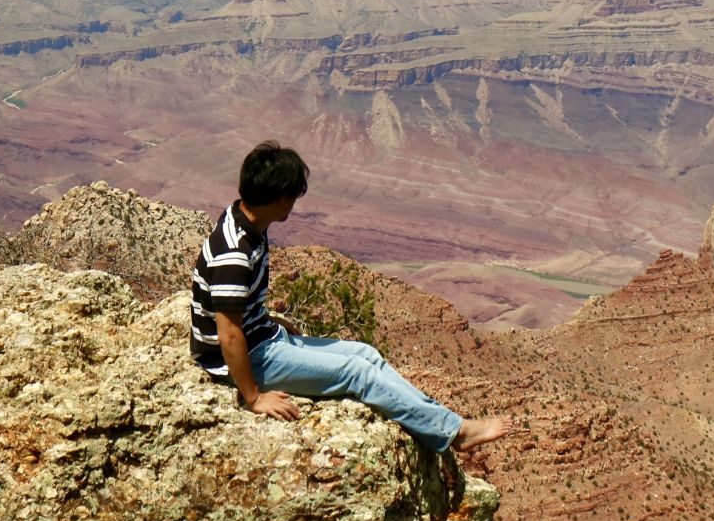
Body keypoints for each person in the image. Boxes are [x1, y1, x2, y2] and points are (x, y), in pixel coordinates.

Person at [190, 140, 513, 452]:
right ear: (277, 198)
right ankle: (456, 431)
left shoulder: (245, 220)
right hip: (245, 359)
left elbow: (233, 306)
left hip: (262, 338)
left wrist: (265, 319)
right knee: (356, 373)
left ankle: (440, 422)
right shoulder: (234, 253)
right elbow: (229, 334)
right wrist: (254, 397)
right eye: (292, 196)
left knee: (365, 355)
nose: (294, 204)